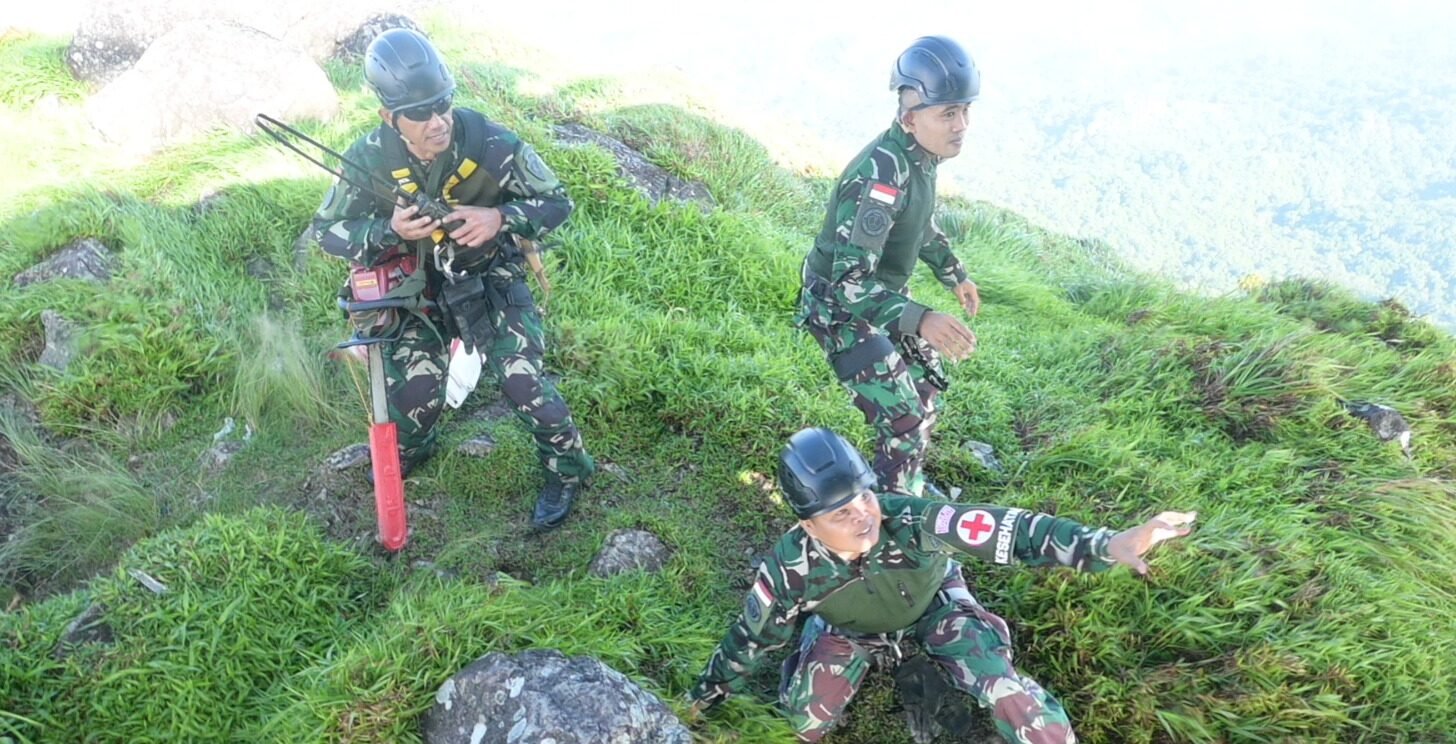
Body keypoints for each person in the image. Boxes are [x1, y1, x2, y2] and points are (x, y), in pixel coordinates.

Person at [687, 428, 1196, 743]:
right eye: (840, 513)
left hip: (936, 607)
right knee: (804, 722)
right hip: (852, 629)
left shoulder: (910, 518)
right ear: (808, 525)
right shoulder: (790, 570)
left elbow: (1008, 529)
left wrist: (1105, 545)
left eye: (865, 497)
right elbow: (749, 640)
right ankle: (818, 637)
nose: (863, 516)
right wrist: (702, 698)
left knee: (1009, 695)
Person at [311, 28, 594, 529]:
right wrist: (388, 230)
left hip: (489, 274)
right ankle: (415, 448)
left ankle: (568, 469)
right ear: (389, 116)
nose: (437, 121)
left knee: (523, 382)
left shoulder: (491, 143)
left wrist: (499, 218)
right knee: (415, 397)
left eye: (442, 104)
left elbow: (557, 202)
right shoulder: (369, 157)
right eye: (419, 113)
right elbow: (325, 231)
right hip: (414, 291)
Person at [796, 35, 985, 498]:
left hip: (880, 297)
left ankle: (901, 483)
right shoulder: (879, 176)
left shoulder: (920, 157)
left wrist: (954, 273)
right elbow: (848, 283)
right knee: (904, 417)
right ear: (910, 116)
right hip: (838, 308)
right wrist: (921, 319)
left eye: (965, 110)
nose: (961, 125)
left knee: (925, 385)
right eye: (948, 114)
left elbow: (918, 224)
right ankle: (892, 513)